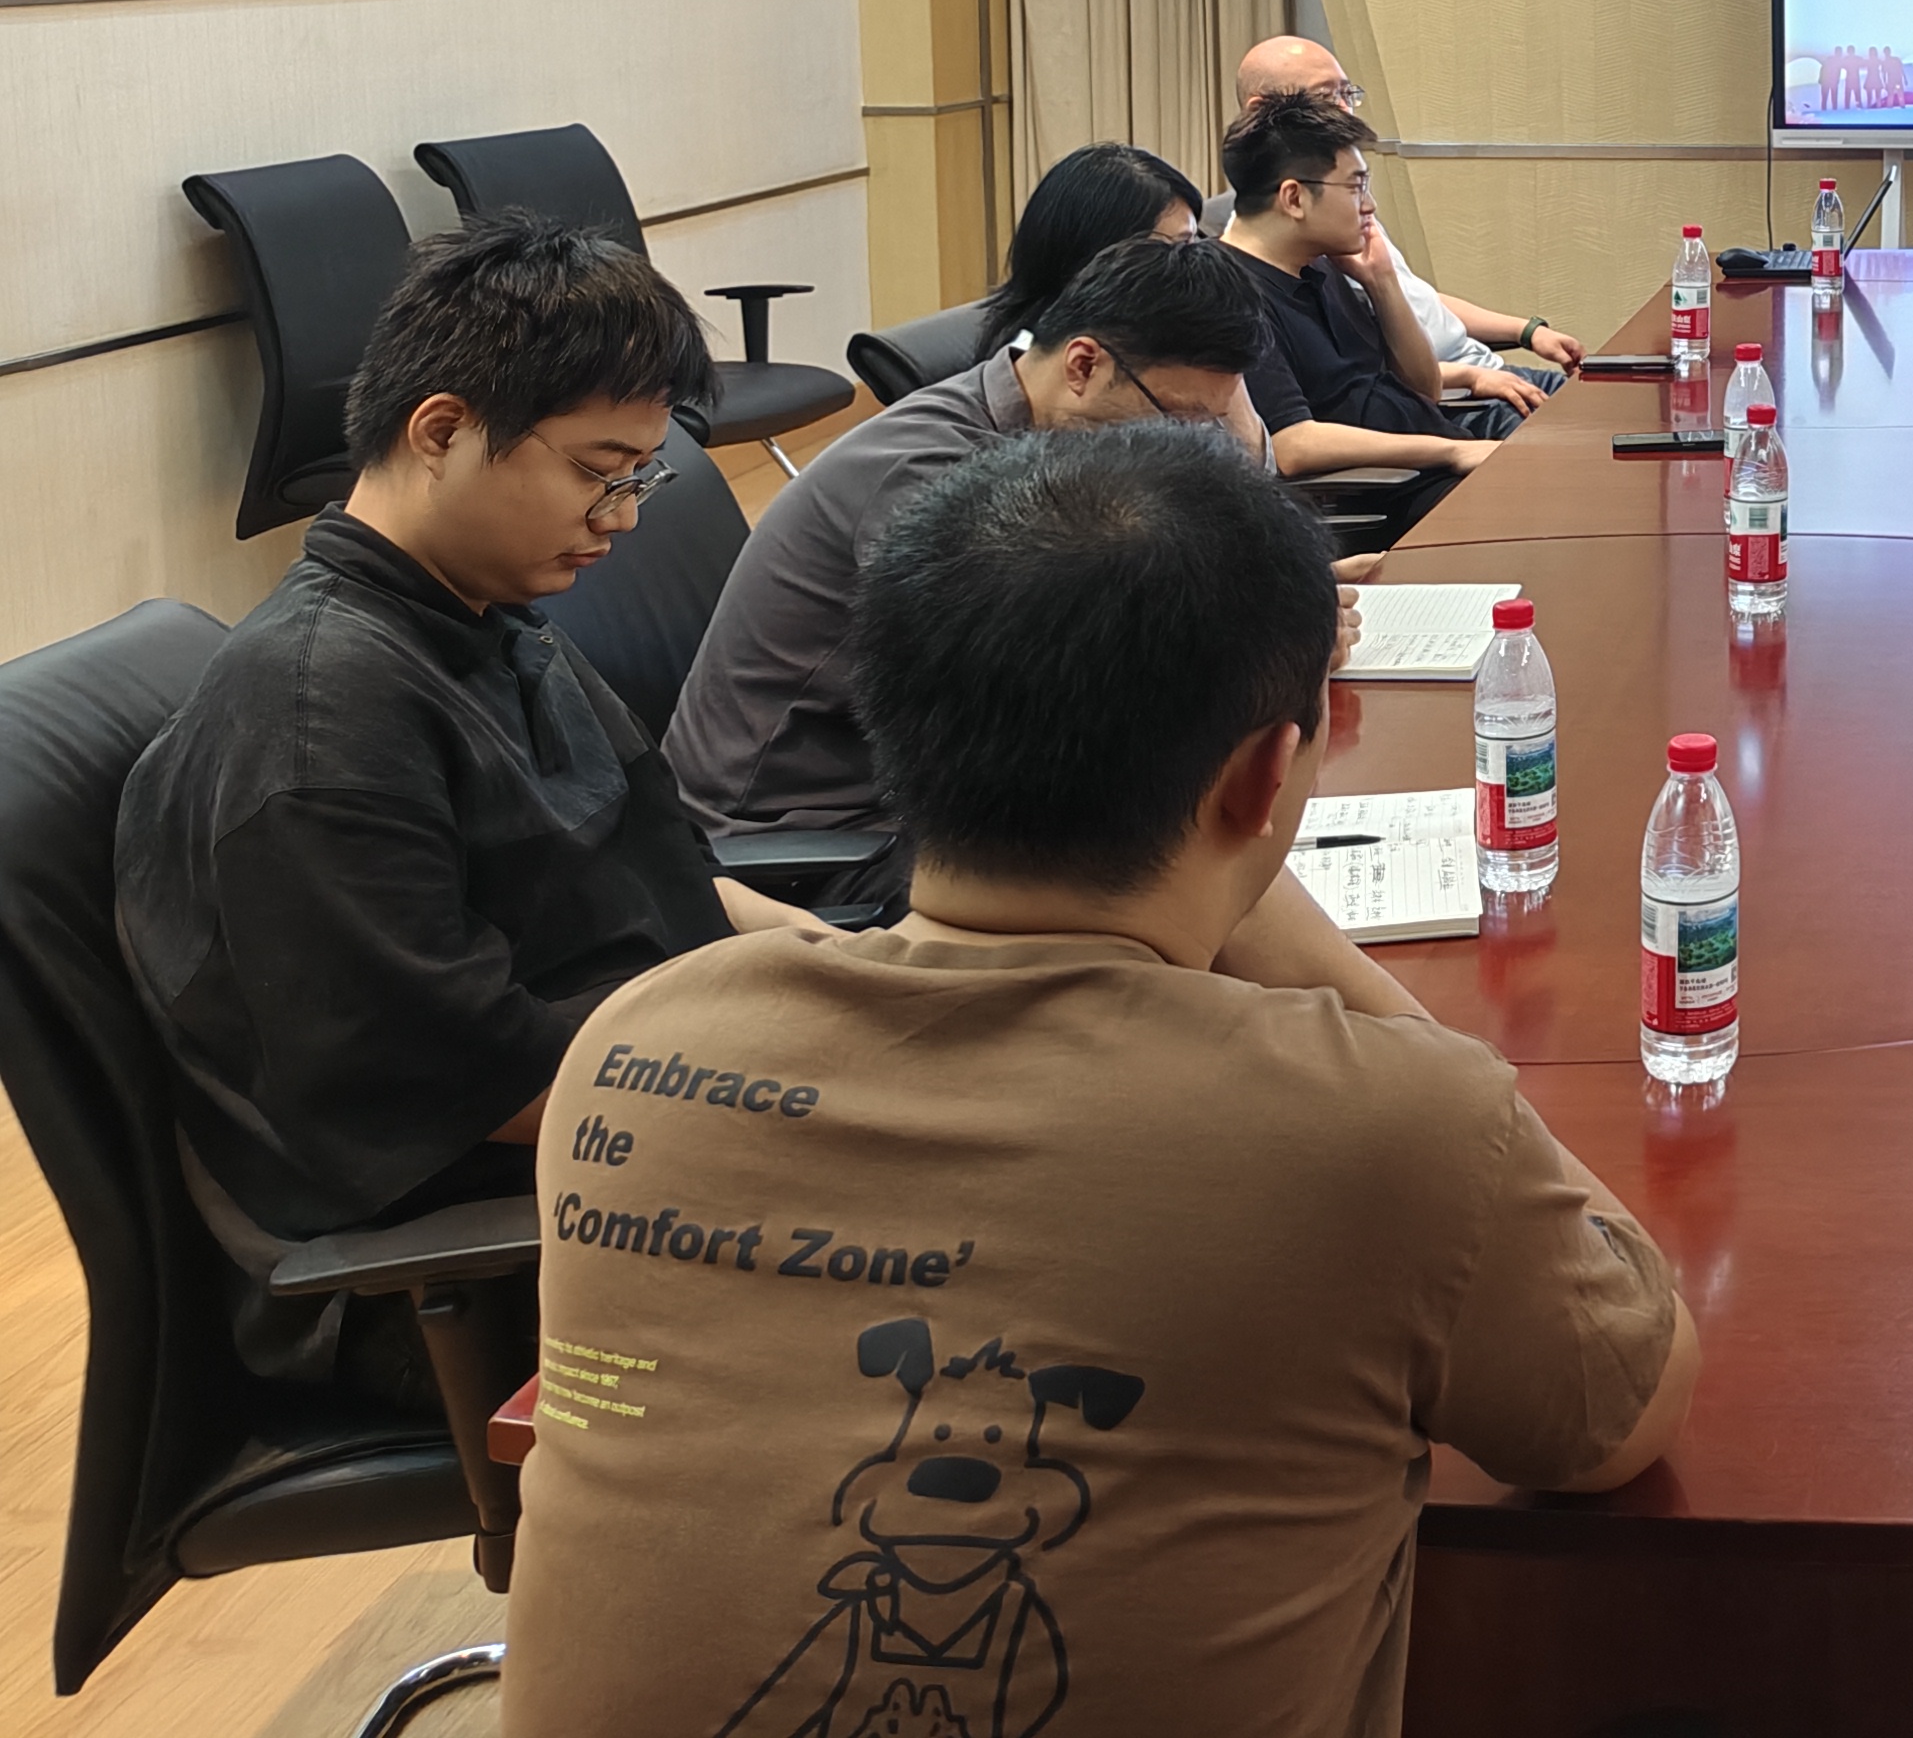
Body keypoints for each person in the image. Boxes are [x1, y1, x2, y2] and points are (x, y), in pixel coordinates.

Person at [500, 424, 1694, 1738]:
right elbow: (1621, 1408)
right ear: (1263, 777)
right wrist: (1310, 953)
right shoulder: (1387, 1127)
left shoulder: (635, 1049)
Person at [116, 215, 817, 1392]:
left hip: (621, 1129)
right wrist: (794, 1082)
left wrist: (840, 967)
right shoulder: (320, 715)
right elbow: (473, 1086)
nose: (623, 517)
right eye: (597, 473)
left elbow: (678, 877)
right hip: (464, 1266)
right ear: (441, 431)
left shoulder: (489, 618)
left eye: (639, 477)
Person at [669, 236, 1283, 917]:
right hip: (807, 834)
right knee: (1173, 868)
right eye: (1180, 421)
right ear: (1083, 364)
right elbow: (1039, 705)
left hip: (917, 798)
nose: (1183, 449)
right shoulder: (933, 475)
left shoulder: (1053, 443)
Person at [1233, 35, 1581, 425]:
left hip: (1456, 382)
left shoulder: (1341, 218)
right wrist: (1464, 405)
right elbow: (1314, 422)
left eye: (1347, 94)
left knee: (1609, 402)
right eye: (1325, 96)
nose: (1345, 110)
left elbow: (1416, 301)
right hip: (1452, 401)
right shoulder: (1294, 245)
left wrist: (1526, 331)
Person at [1223, 88, 1499, 498]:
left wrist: (1382, 282)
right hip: (1391, 494)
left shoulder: (1324, 263)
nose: (1369, 206)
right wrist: (1450, 451)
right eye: (1356, 188)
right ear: (1294, 198)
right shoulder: (1230, 293)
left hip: (1432, 469)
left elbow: (1424, 389)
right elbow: (1291, 444)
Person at [977, 141, 1206, 356]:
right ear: (1101, 257)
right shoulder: (1038, 361)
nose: (1198, 262)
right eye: (1180, 247)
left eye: (1194, 242)